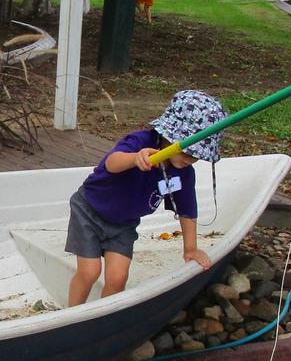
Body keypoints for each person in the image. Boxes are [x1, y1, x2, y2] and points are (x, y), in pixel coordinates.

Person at [65, 90, 227, 307]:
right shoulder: (141, 141)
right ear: (169, 135)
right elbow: (112, 163)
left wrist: (190, 248)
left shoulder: (183, 171)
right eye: (187, 152)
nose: (190, 159)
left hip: (124, 224)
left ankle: (102, 318)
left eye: (197, 156)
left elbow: (187, 208)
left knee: (118, 278)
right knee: (90, 271)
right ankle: (73, 315)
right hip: (90, 212)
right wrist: (135, 158)